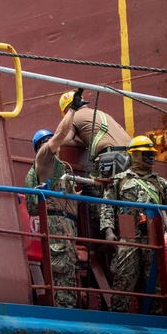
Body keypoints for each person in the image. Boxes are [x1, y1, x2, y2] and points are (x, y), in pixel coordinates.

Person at [99, 135, 167, 313]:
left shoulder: (163, 184)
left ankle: (159, 319)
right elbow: (107, 206)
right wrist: (108, 230)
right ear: (135, 154)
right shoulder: (119, 180)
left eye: (152, 153)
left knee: (159, 281)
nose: (152, 157)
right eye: (147, 153)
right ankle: (118, 317)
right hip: (128, 235)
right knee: (123, 277)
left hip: (156, 238)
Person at [24, 104, 79, 308]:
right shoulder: (44, 157)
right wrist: (72, 111)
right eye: (47, 142)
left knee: (68, 276)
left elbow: (67, 198)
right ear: (41, 146)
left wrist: (85, 193)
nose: (52, 144)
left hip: (67, 227)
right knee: (61, 277)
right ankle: (64, 315)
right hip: (58, 227)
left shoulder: (58, 168)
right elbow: (62, 133)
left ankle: (68, 312)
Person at [58, 88, 132, 230]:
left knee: (93, 195)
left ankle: (109, 234)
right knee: (126, 199)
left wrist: (83, 144)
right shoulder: (104, 114)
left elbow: (64, 140)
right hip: (130, 158)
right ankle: (129, 233)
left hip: (110, 158)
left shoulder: (74, 116)